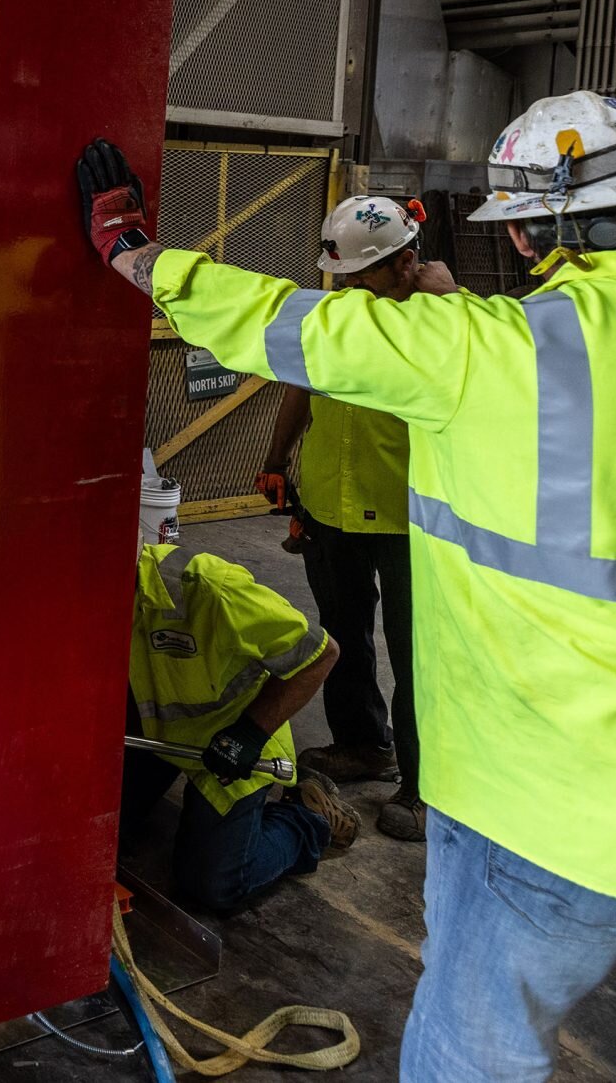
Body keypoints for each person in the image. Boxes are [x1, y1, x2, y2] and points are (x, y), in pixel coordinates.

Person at [78, 91, 616, 1083]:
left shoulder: (480, 351)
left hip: (548, 814)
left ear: (534, 237)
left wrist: (132, 254)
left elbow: (276, 326)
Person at [256, 194, 443, 842]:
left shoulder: (442, 325)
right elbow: (301, 385)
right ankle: (365, 743)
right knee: (343, 633)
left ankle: (424, 788)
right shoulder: (332, 316)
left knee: (421, 654)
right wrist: (279, 457)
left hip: (409, 515)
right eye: (346, 277)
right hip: (330, 501)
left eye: (368, 275)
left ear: (406, 261)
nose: (355, 288)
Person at [123, 490, 355, 914]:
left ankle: (307, 819)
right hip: (157, 737)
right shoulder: (76, 599)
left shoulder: (208, 588)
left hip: (233, 740)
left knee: (213, 885)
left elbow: (322, 654)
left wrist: (248, 734)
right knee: (100, 839)